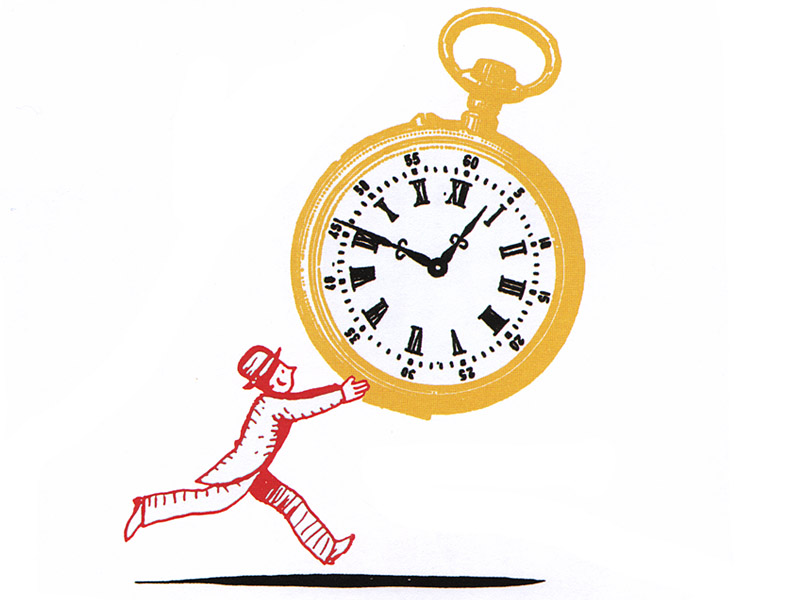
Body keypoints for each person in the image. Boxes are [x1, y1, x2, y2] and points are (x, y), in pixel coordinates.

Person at [123, 345, 369, 565]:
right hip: (245, 471)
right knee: (212, 500)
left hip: (254, 470)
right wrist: (341, 394)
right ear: (272, 380)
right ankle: (146, 509)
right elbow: (304, 406)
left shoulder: (273, 401)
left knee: (288, 501)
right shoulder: (273, 404)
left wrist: (339, 393)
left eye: (283, 368)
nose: (288, 372)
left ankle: (327, 548)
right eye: (280, 371)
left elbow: (301, 402)